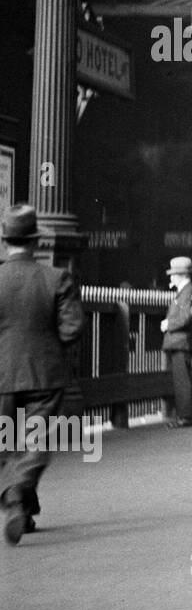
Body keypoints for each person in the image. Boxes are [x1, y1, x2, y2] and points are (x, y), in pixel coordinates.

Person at [0, 205, 85, 545]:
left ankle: (19, 502)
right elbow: (73, 327)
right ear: (34, 241)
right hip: (44, 375)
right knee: (37, 440)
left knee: (6, 440)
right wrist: (51, 346)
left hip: (2, 376)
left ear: (6, 241)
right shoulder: (56, 277)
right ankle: (20, 495)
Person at [161, 256, 192, 428]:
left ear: (180, 275)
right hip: (182, 341)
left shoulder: (189, 293)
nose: (171, 278)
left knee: (182, 381)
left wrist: (168, 324)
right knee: (182, 379)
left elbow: (187, 318)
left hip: (180, 341)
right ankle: (184, 415)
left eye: (173, 275)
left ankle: (185, 416)